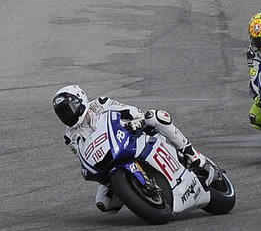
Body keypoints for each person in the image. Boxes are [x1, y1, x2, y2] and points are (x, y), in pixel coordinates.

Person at [53, 85, 212, 214]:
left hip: (132, 135)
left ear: (80, 100)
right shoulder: (70, 137)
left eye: (68, 109)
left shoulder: (100, 104)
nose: (67, 116)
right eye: (62, 114)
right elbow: (83, 157)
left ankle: (191, 153)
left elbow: (129, 110)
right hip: (110, 158)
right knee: (103, 204)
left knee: (155, 116)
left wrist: (136, 120)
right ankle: (133, 190)